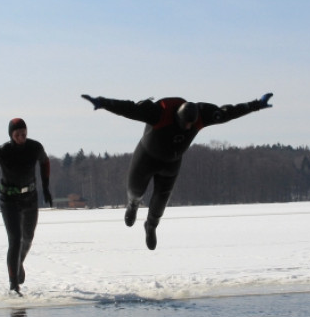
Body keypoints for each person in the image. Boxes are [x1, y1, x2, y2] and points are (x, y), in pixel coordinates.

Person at [81, 93, 273, 249]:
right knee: (136, 190)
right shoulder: (158, 112)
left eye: (191, 125)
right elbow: (129, 108)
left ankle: (151, 226)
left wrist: (256, 104)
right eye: (185, 125)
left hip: (171, 163)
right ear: (178, 118)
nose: (189, 128)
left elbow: (228, 112)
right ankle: (133, 205)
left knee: (160, 203)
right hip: (146, 158)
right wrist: (103, 102)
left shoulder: (202, 113)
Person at [0, 118, 53, 295]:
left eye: (24, 134)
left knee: (27, 238)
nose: (22, 137)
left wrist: (46, 188)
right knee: (15, 239)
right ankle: (14, 285)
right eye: (18, 134)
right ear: (11, 135)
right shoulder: (3, 151)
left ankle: (18, 263)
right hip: (9, 199)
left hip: (30, 197)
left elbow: (45, 162)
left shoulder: (35, 147)